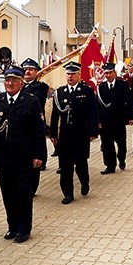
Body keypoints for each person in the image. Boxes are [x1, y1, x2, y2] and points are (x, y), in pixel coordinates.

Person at [0, 66, 46, 243]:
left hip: (24, 156)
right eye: (7, 80)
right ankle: (12, 226)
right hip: (3, 157)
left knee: (23, 193)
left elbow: (39, 130)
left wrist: (39, 155)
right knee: (7, 193)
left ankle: (24, 228)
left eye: (14, 80)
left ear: (21, 82)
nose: (10, 84)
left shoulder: (31, 101)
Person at [49, 61, 98, 204]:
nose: (70, 76)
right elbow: (54, 115)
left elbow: (93, 113)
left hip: (81, 134)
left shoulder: (86, 91)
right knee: (65, 166)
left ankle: (85, 182)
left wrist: (93, 131)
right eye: (68, 74)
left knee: (81, 163)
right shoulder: (59, 92)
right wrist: (53, 134)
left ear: (79, 75)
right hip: (64, 135)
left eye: (73, 74)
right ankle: (68, 194)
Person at [96, 63, 133, 174]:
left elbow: (129, 101)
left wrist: (130, 116)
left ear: (115, 73)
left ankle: (121, 159)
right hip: (105, 121)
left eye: (110, 73)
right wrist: (98, 121)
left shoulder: (122, 85)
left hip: (119, 120)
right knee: (107, 145)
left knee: (121, 144)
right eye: (106, 73)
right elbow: (97, 105)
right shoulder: (101, 87)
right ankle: (110, 165)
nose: (107, 75)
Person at [21, 57, 50, 181]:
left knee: (37, 145)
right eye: (25, 69)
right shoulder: (19, 85)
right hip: (20, 123)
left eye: (31, 70)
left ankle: (41, 161)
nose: (27, 72)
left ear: (36, 72)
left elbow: (35, 99)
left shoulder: (41, 87)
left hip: (34, 122)